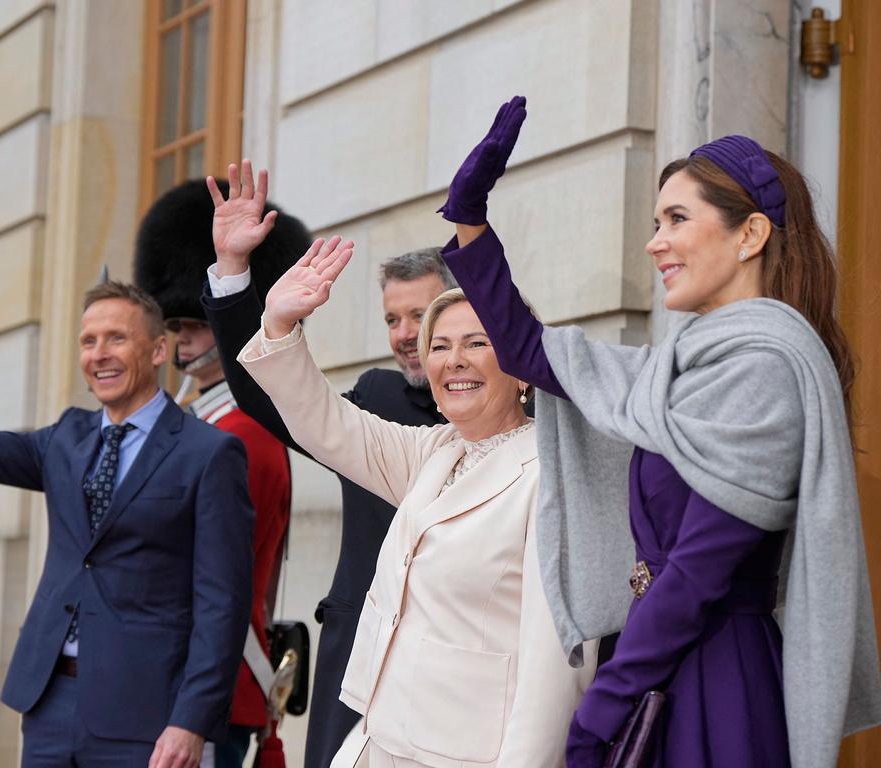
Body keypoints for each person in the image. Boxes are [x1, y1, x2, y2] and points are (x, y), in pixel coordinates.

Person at [437, 96, 881, 768]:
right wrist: (471, 220)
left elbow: (699, 571)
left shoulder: (767, 364)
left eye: (677, 218)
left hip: (714, 686)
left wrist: (603, 705)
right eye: (654, 221)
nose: (655, 242)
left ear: (750, 235)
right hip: (661, 668)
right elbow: (531, 352)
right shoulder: (678, 369)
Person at [236, 235, 598, 768]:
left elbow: (556, 670)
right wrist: (279, 324)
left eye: (477, 343)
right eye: (440, 345)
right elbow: (324, 421)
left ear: (523, 366)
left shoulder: (551, 476)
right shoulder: (433, 452)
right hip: (376, 739)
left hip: (470, 756)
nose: (454, 361)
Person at [0, 265, 254, 768]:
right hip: (49, 704)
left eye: (116, 338)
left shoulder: (209, 452)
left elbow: (222, 603)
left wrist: (191, 720)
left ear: (158, 350)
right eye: (88, 341)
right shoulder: (65, 439)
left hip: (147, 714)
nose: (99, 355)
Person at [199, 161, 455, 768]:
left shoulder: (512, 413)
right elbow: (268, 396)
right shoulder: (377, 399)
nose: (401, 334)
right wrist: (235, 274)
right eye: (391, 318)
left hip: (458, 664)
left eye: (418, 317)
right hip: (360, 658)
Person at [134, 179, 299, 768]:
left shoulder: (242, 435)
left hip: (210, 687)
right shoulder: (197, 423)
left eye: (196, 324)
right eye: (176, 325)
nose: (181, 338)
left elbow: (201, 572)